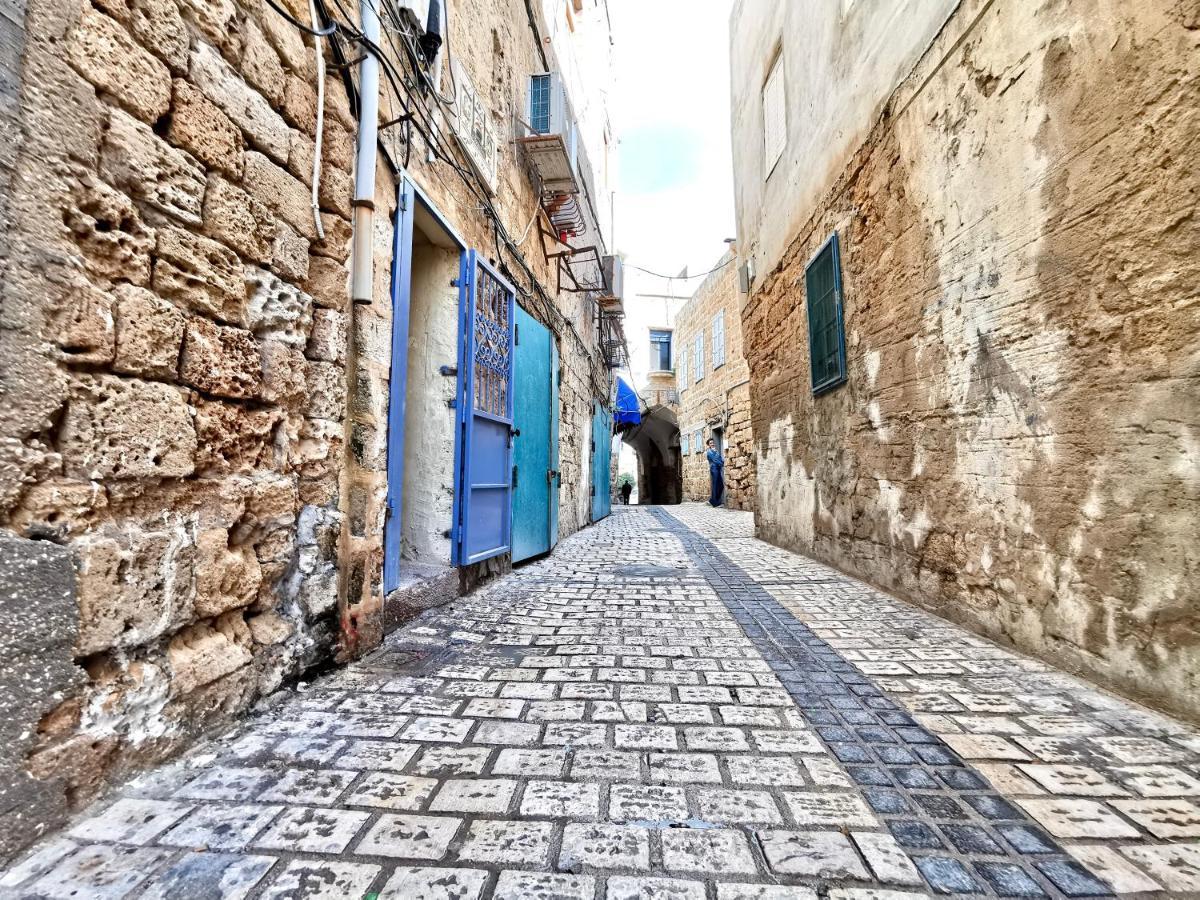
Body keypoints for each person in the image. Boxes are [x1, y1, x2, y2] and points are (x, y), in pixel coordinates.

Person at [705, 438, 724, 507]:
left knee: (721, 485)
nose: (712, 444)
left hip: (718, 469)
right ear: (709, 445)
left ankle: (712, 500)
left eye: (713, 442)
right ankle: (715, 503)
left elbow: (721, 458)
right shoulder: (709, 452)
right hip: (714, 469)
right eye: (710, 443)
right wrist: (722, 464)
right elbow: (715, 460)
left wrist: (722, 462)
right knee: (715, 485)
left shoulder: (716, 451)